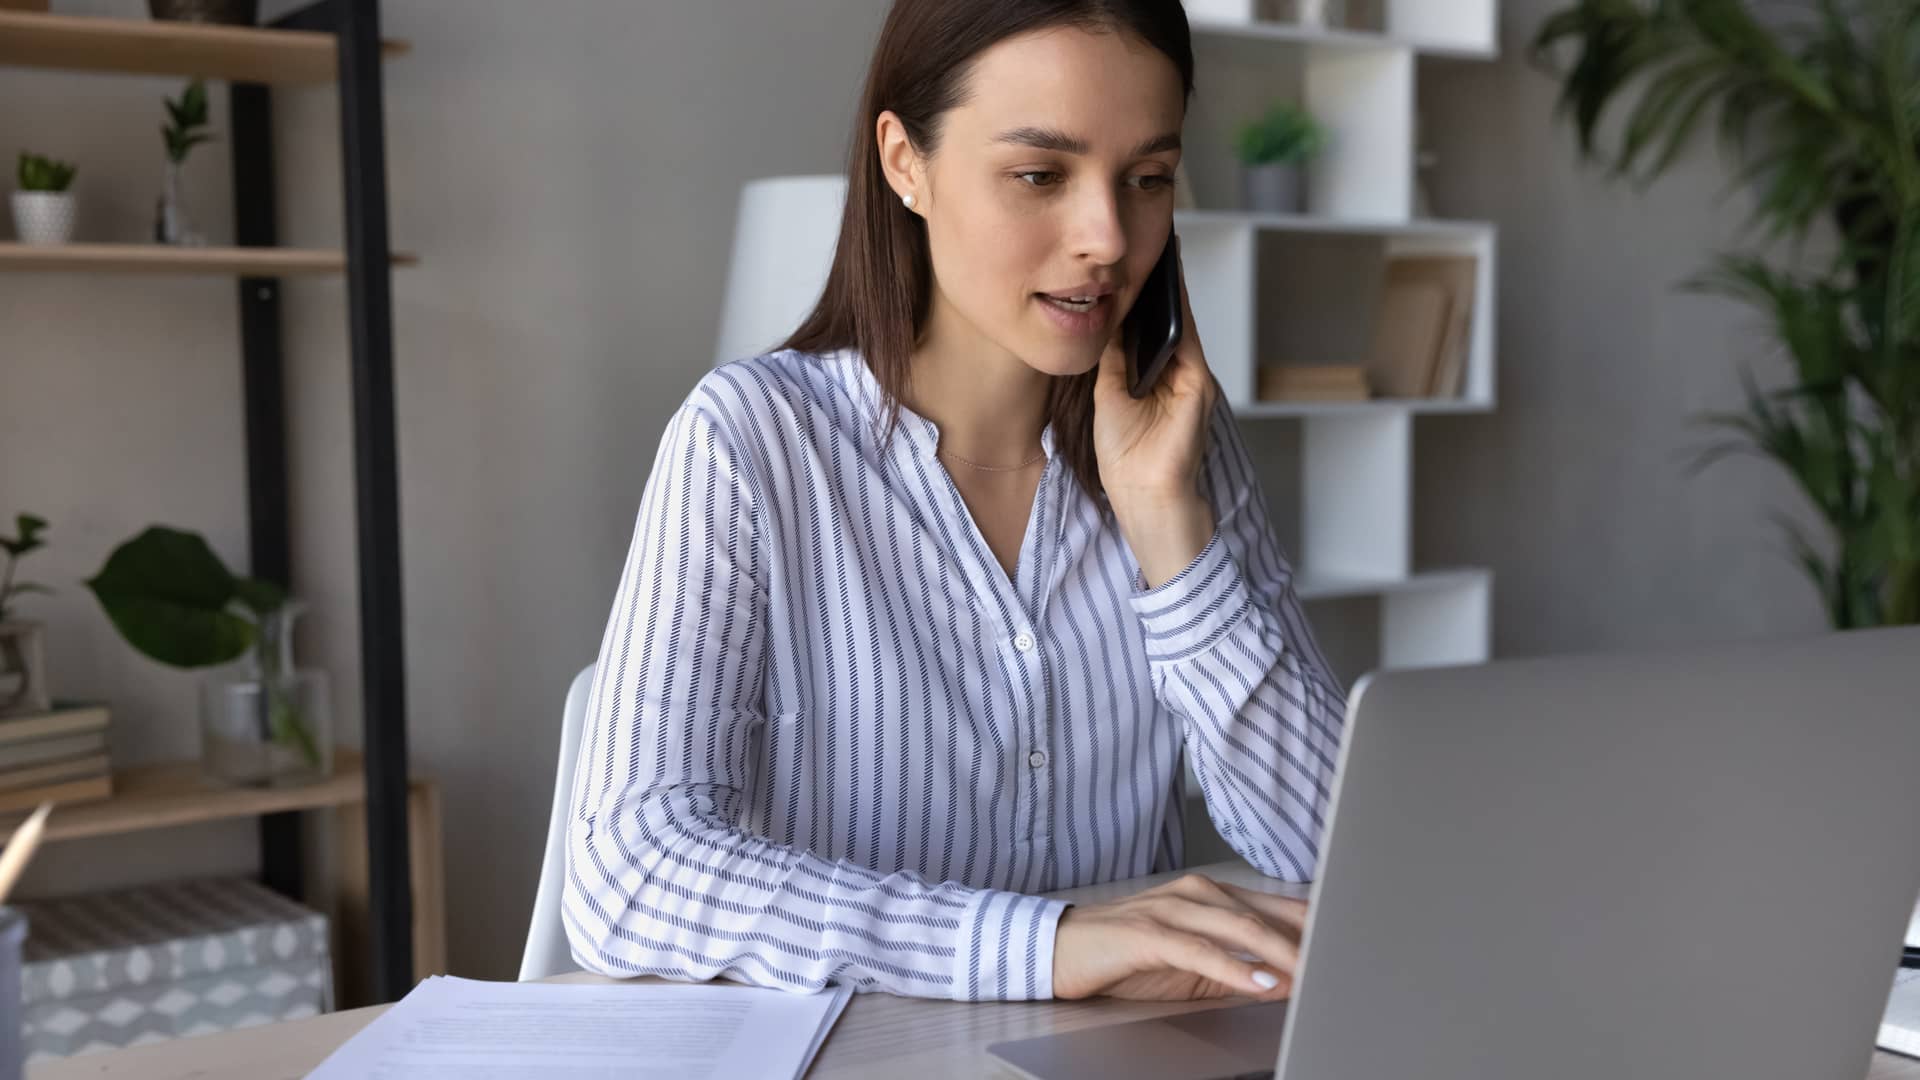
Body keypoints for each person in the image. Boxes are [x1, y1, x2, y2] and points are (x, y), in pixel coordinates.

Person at [563, 0, 1348, 1005]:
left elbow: (1338, 856)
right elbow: (630, 875)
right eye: (1039, 175)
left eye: (1148, 178)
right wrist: (1045, 947)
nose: (1107, 237)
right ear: (905, 162)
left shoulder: (1180, 448)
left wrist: (1171, 536)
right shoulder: (753, 443)